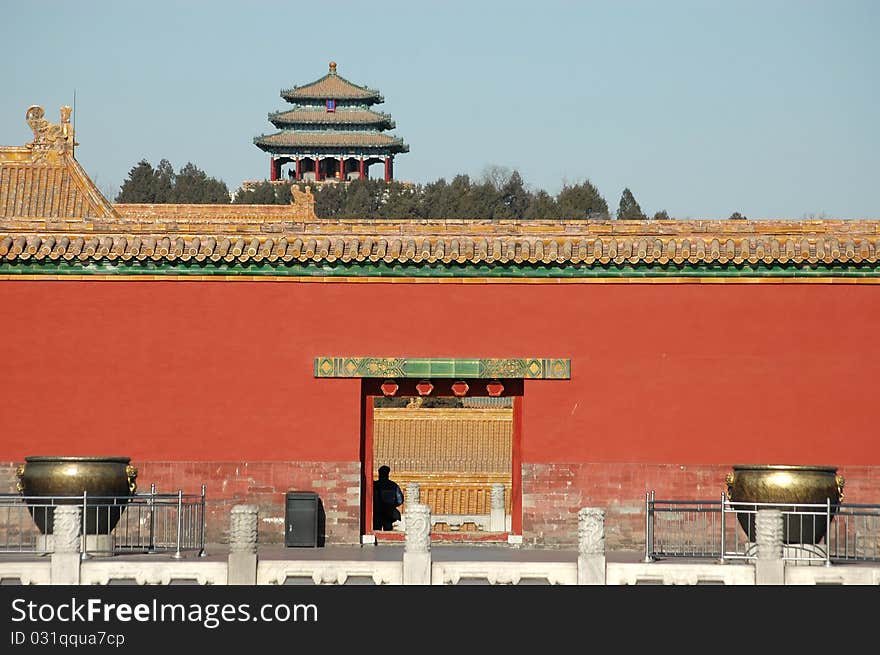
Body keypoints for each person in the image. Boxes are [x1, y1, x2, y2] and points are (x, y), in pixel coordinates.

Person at [373, 465, 404, 531]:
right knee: (388, 529)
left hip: (376, 512)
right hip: (389, 512)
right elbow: (400, 500)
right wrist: (392, 505)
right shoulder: (393, 485)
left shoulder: (374, 485)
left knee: (376, 530)